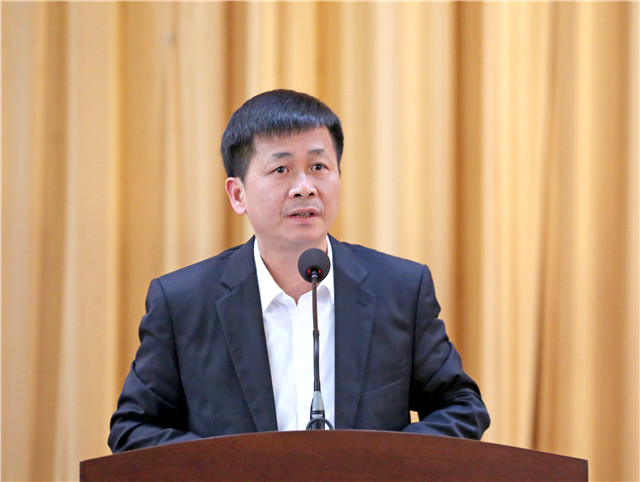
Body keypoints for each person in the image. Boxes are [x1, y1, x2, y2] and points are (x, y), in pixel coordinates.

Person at [108, 89, 490, 452]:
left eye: (318, 166)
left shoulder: (401, 290)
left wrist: (380, 463)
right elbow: (133, 429)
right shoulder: (183, 303)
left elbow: (460, 407)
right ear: (238, 194)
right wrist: (231, 469)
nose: (304, 188)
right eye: (281, 169)